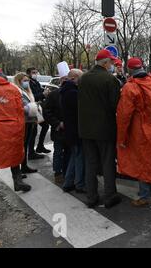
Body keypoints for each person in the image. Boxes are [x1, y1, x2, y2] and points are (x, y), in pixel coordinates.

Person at [116, 58, 151, 207]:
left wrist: (121, 137)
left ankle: (145, 195)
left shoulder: (130, 87)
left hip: (140, 129)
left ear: (129, 70)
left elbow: (124, 114)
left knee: (142, 161)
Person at [78, 49, 121, 208]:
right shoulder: (110, 80)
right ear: (105, 63)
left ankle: (91, 197)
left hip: (86, 129)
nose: (112, 65)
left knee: (90, 163)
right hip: (105, 128)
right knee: (107, 163)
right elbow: (115, 105)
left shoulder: (83, 78)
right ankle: (109, 196)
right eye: (111, 62)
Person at [0, 68, 31, 194]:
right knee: (14, 154)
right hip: (13, 128)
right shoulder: (12, 89)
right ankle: (17, 181)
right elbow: (21, 109)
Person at [60, 69, 85, 194]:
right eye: (81, 78)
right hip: (75, 130)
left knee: (74, 157)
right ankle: (79, 184)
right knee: (79, 157)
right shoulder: (72, 92)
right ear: (75, 78)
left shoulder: (66, 90)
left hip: (71, 130)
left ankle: (68, 182)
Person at [42, 76, 70, 183]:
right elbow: (47, 111)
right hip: (58, 129)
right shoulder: (53, 94)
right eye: (64, 79)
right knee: (58, 151)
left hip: (69, 129)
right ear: (61, 81)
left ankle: (67, 171)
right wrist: (57, 123)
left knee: (68, 151)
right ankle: (58, 173)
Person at [14, 73, 39, 174]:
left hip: (30, 120)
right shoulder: (18, 91)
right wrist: (33, 107)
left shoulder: (27, 90)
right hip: (23, 121)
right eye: (24, 80)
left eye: (27, 80)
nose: (27, 82)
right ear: (19, 81)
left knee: (26, 144)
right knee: (21, 145)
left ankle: (24, 166)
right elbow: (21, 106)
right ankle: (20, 168)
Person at [26, 67, 51, 159]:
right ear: (28, 73)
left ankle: (40, 146)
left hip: (38, 108)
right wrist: (42, 95)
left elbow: (39, 92)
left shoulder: (35, 82)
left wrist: (45, 92)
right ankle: (31, 152)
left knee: (45, 126)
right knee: (33, 130)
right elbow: (31, 96)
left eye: (36, 72)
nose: (35, 74)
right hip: (32, 108)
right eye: (33, 72)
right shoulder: (27, 83)